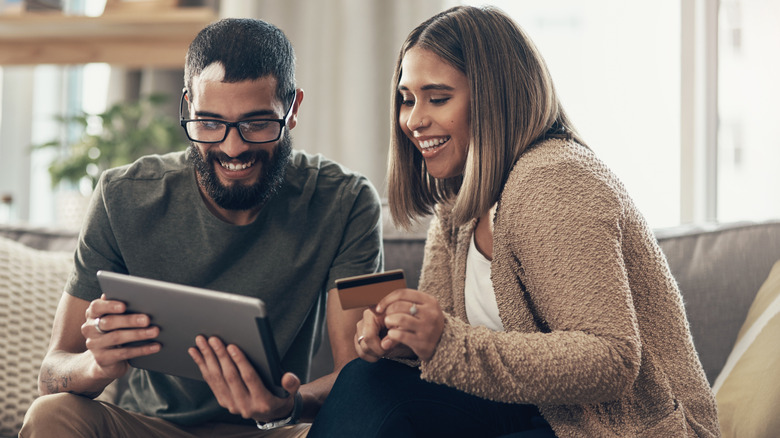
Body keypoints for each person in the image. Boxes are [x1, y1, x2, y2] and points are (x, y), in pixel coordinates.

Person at [308, 5, 720, 438]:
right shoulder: (458, 202)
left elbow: (613, 358)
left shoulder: (556, 179)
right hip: (530, 415)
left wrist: (445, 341)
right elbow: (446, 353)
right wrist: (403, 339)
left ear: (495, 99)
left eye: (438, 98)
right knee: (367, 381)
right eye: (407, 99)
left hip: (625, 429)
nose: (413, 119)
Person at [21, 18, 382, 438]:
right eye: (210, 123)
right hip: (149, 427)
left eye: (256, 123)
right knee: (51, 415)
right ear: (188, 106)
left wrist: (290, 404)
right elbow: (52, 371)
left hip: (275, 431)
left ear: (293, 108)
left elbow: (360, 374)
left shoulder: (346, 201)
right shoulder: (122, 197)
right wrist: (95, 365)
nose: (233, 148)